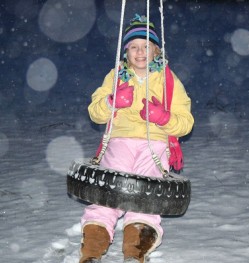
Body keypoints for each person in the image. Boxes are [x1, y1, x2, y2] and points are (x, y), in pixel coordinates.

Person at [79, 14, 194, 263]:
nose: (140, 52)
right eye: (133, 47)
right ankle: (91, 252)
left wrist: (164, 118)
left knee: (146, 199)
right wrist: (112, 102)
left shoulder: (169, 80)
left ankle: (134, 252)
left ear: (155, 50)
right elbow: (94, 112)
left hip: (155, 146)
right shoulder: (116, 75)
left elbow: (186, 123)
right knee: (106, 195)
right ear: (126, 51)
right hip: (119, 140)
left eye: (145, 46)